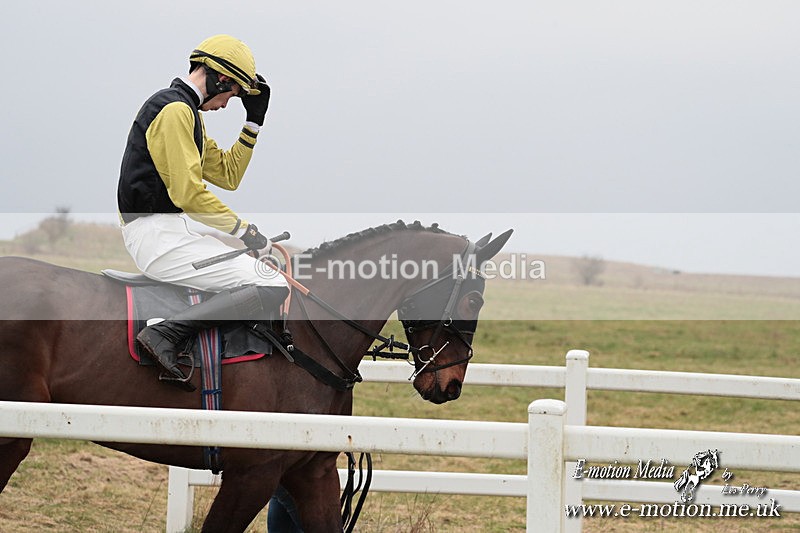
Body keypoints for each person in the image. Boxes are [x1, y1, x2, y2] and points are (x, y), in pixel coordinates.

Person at [117, 34, 288, 391]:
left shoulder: (187, 113)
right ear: (220, 79)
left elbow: (228, 175)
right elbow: (189, 194)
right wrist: (246, 232)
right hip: (157, 238)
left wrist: (253, 124)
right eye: (233, 94)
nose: (228, 104)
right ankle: (163, 335)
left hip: (169, 232)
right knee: (270, 282)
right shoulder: (175, 111)